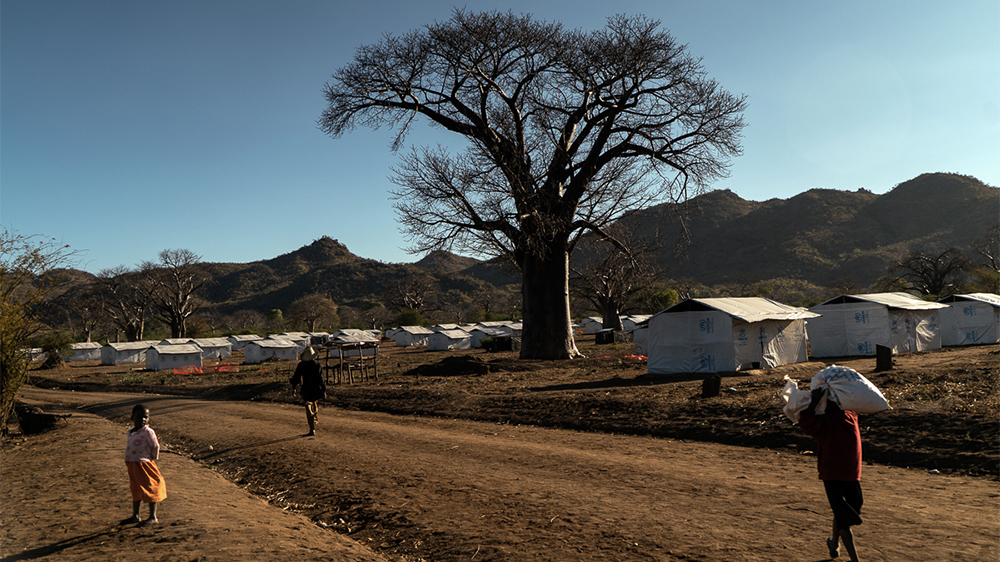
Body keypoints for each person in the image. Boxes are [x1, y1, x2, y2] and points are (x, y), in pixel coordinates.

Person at [799, 387, 864, 562]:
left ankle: (834, 543)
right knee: (843, 517)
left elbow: (805, 421)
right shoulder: (850, 416)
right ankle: (853, 558)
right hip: (847, 474)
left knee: (842, 512)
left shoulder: (825, 421)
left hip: (835, 473)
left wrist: (814, 401)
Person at [121, 404, 167, 527]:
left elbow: (155, 446)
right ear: (132, 417)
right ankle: (135, 515)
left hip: (144, 463)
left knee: (150, 486)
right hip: (132, 463)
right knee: (135, 488)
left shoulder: (148, 432)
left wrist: (152, 458)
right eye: (139, 417)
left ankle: (153, 516)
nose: (143, 419)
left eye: (145, 417)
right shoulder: (131, 432)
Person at [290, 346, 326, 436]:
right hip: (316, 389)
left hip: (306, 389)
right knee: (314, 404)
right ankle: (314, 418)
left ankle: (312, 428)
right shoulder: (316, 365)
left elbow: (296, 377)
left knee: (308, 407)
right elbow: (321, 379)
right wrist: (323, 390)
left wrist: (294, 388)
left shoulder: (301, 365)